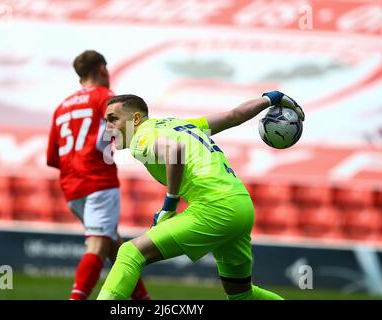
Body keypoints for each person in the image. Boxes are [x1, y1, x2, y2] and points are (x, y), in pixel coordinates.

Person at [97, 91, 305, 300]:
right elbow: (235, 115)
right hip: (241, 203)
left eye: (113, 119)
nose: (108, 128)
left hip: (215, 206)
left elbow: (175, 151)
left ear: (135, 119)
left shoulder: (141, 137)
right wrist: (272, 98)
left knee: (130, 252)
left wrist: (170, 204)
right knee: (242, 295)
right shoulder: (182, 125)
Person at [46, 50, 150, 300]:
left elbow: (52, 156)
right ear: (103, 69)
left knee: (115, 246)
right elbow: (121, 131)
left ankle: (143, 300)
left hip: (71, 185)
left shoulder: (62, 107)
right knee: (98, 244)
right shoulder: (107, 99)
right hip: (97, 181)